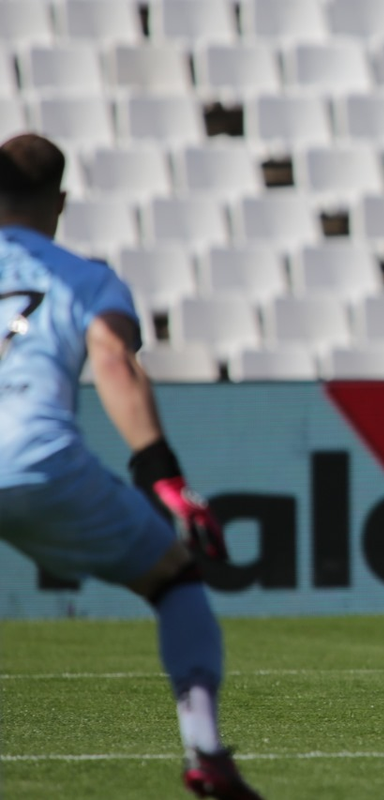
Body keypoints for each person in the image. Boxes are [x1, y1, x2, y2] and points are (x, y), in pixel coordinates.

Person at [0, 133, 263, 799]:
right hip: (36, 458)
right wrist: (164, 478)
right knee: (175, 582)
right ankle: (205, 750)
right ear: (60, 200)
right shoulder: (87, 278)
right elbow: (116, 361)